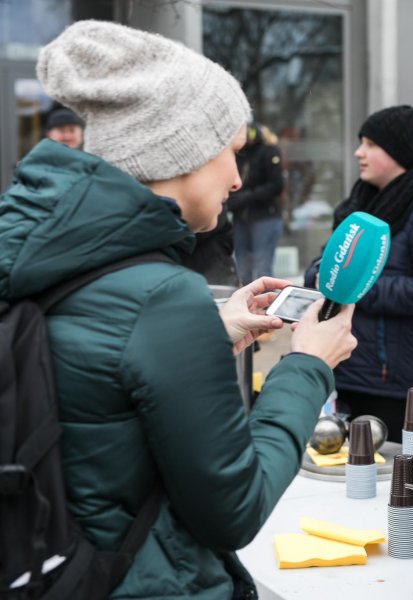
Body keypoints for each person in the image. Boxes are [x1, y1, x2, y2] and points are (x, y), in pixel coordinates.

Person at [0, 20, 356, 598]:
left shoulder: (48, 250)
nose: (240, 178)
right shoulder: (163, 297)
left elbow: (87, 377)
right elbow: (234, 510)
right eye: (231, 152)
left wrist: (207, 334)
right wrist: (307, 367)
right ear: (182, 151)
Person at [305, 105, 413, 442]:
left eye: (371, 145)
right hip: (338, 368)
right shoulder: (358, 203)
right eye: (361, 143)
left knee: (385, 482)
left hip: (390, 384)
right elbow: (326, 263)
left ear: (398, 151)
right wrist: (320, 276)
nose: (359, 152)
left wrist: (352, 289)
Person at [229, 122, 284, 284]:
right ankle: (245, 306)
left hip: (265, 217)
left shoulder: (269, 151)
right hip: (241, 217)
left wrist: (246, 197)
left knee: (263, 269)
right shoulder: (240, 154)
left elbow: (276, 185)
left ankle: (265, 306)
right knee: (242, 268)